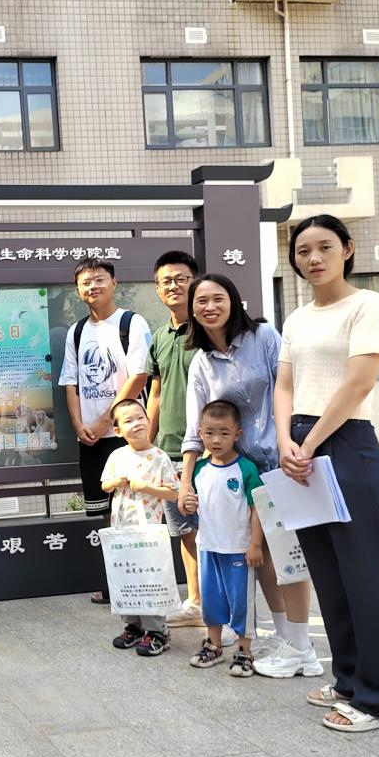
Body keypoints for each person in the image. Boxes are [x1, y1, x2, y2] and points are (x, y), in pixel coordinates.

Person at [276, 214, 379, 732]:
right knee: (330, 576)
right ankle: (349, 680)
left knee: (369, 576)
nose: (313, 258)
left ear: (348, 249)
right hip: (300, 444)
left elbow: (358, 384)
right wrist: (285, 440)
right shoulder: (296, 319)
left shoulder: (368, 305)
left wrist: (306, 444)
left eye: (324, 247)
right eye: (303, 250)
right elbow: (285, 384)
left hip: (346, 441)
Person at [176, 273, 318, 676]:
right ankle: (287, 638)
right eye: (201, 301)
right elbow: (196, 429)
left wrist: (295, 443)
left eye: (217, 298)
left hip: (283, 464)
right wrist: (186, 482)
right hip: (243, 475)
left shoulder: (264, 337)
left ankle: (302, 645)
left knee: (289, 556)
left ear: (234, 300)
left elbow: (290, 390)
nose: (209, 307)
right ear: (192, 310)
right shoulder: (201, 363)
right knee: (265, 559)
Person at [58, 257, 151, 605]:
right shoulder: (76, 331)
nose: (92, 287)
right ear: (77, 290)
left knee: (135, 509)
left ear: (114, 283)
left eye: (99, 279)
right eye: (85, 282)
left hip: (126, 437)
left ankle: (140, 584)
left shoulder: (131, 323)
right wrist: (79, 424)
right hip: (91, 439)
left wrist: (103, 421)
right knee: (105, 514)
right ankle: (117, 585)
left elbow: (139, 375)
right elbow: (70, 382)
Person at [143, 250, 204, 630]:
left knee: (216, 532)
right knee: (185, 533)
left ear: (195, 281)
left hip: (211, 451)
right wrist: (147, 448)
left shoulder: (210, 328)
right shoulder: (160, 337)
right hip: (168, 450)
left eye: (181, 278)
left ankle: (225, 610)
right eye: (166, 281)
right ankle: (196, 603)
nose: (173, 286)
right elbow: (156, 394)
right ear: (157, 289)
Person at [183, 401, 264, 678]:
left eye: (224, 433)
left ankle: (244, 651)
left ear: (237, 434)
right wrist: (188, 504)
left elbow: (257, 509)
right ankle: (214, 645)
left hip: (239, 549)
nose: (216, 440)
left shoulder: (247, 469)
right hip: (208, 547)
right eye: (210, 433)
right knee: (212, 601)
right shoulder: (198, 469)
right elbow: (190, 505)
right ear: (200, 433)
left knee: (242, 603)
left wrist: (255, 545)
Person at [99, 398, 179, 657]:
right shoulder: (117, 455)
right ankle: (133, 625)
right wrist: (116, 482)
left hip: (148, 532)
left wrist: (145, 487)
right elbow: (104, 485)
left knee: (149, 576)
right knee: (126, 574)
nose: (136, 424)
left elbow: (174, 492)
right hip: (122, 529)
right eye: (128, 421)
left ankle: (157, 630)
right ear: (118, 430)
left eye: (139, 418)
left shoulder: (160, 457)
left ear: (149, 419)